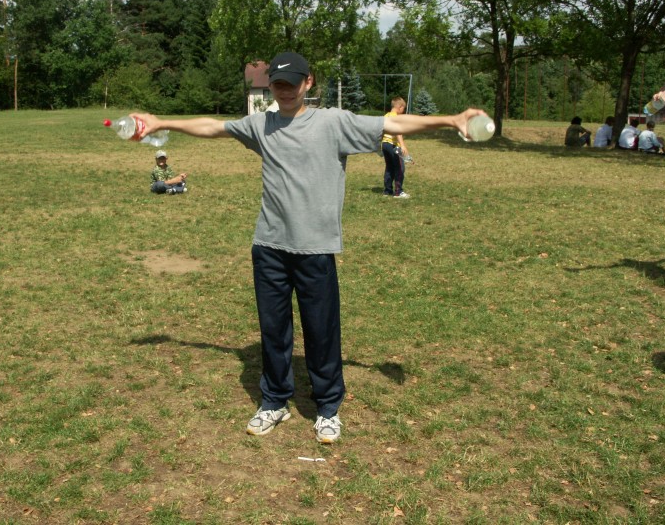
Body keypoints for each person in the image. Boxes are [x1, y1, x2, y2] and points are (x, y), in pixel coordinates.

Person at [130, 51, 487, 444]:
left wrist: (451, 120)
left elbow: (393, 123)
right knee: (273, 331)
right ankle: (274, 401)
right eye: (278, 85)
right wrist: (162, 122)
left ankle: (328, 408)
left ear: (309, 82)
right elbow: (212, 127)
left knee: (322, 332)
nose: (285, 91)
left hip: (315, 248)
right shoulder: (261, 124)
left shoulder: (334, 122)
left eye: (293, 84)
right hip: (269, 245)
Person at [381, 96, 411, 198]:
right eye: (403, 109)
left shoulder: (386, 116)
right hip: (393, 145)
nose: (403, 111)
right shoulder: (395, 117)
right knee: (400, 167)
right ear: (400, 107)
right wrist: (402, 145)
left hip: (385, 144)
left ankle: (387, 191)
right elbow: (397, 131)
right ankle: (398, 192)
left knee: (389, 167)